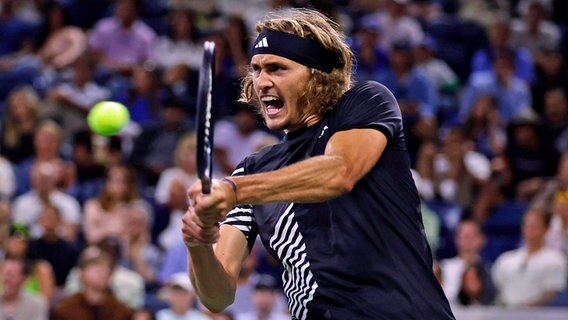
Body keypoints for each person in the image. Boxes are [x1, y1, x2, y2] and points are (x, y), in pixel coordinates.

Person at [182, 9, 455, 320]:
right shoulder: (252, 170)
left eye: (277, 68)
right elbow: (218, 296)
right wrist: (199, 243)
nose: (261, 82)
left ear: (317, 76)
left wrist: (233, 190)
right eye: (256, 70)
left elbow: (340, 172)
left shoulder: (365, 103)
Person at [491, 209, 567, 307]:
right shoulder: (507, 259)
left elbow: (553, 291)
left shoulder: (555, 259)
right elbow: (498, 288)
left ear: (546, 228)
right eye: (527, 226)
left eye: (534, 226)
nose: (529, 230)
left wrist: (525, 308)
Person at [0, 256, 48, 320]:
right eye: (5, 274)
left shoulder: (37, 303)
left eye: (12, 275)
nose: (7, 280)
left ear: (24, 279)